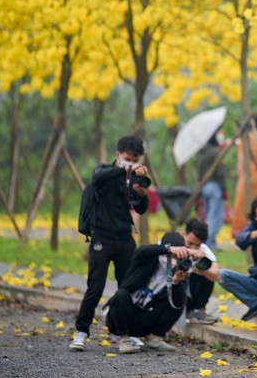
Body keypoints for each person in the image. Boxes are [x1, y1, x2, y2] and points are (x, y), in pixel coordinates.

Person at [69, 135, 150, 352]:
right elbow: (97, 177)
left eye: (134, 160)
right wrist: (124, 169)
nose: (130, 163)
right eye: (127, 158)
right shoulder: (105, 171)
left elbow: (141, 209)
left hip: (124, 239)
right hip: (101, 239)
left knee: (127, 289)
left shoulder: (133, 180)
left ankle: (125, 333)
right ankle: (81, 332)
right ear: (118, 155)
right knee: (95, 287)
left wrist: (142, 194)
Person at [103, 232, 205, 354]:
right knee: (121, 295)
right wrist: (168, 249)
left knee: (180, 301)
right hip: (120, 317)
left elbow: (177, 303)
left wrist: (176, 282)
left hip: (144, 319)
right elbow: (141, 250)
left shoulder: (178, 269)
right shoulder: (147, 259)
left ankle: (153, 338)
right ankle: (124, 339)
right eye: (171, 255)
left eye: (176, 256)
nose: (172, 259)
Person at [182, 218, 220, 324]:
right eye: (190, 243)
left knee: (207, 272)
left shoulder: (204, 250)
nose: (194, 248)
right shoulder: (172, 244)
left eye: (197, 245)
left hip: (190, 294)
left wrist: (201, 271)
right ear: (184, 234)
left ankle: (197, 310)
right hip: (170, 293)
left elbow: (216, 275)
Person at [196, 129, 227, 249]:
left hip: (204, 186)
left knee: (209, 214)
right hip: (214, 186)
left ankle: (210, 242)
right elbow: (220, 174)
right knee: (215, 216)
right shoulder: (215, 152)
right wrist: (224, 189)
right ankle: (209, 242)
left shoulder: (201, 152)